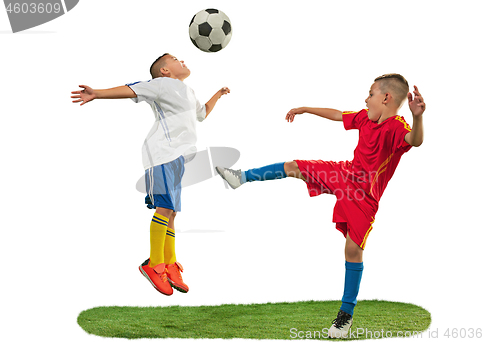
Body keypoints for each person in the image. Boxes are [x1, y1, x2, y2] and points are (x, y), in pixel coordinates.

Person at [216, 74, 425, 338]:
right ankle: (241, 177)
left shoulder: (397, 126)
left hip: (364, 195)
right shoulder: (365, 118)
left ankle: (345, 316)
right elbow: (339, 115)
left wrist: (418, 117)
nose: (366, 98)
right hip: (344, 174)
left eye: (370, 94)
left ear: (386, 98)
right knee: (295, 166)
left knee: (352, 249)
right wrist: (305, 109)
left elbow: (414, 140)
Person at [71, 53, 230, 296]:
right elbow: (130, 89)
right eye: (176, 59)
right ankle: (154, 264)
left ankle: (169, 263)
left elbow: (202, 114)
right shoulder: (161, 85)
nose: (182, 60)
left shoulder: (188, 92)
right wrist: (98, 93)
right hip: (161, 153)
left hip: (179, 158)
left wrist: (217, 95)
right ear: (165, 71)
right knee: (164, 209)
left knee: (172, 212)